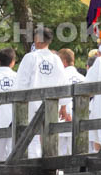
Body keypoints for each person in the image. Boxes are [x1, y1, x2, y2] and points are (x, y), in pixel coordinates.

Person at [15, 27, 67, 158]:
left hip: (31, 104)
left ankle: (35, 164)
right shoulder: (56, 59)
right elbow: (63, 83)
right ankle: (50, 162)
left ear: (37, 39)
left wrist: (18, 102)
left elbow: (21, 83)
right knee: (49, 136)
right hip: (52, 104)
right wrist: (63, 106)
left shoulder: (30, 57)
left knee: (31, 138)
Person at [57, 48, 85, 155]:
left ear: (63, 62)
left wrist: (66, 110)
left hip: (62, 116)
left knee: (59, 154)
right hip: (80, 118)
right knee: (77, 153)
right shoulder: (83, 78)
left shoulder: (60, 77)